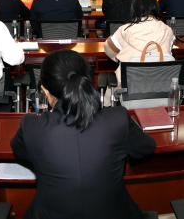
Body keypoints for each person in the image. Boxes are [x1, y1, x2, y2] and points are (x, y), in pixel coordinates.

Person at [11, 50, 155, 219]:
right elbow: (146, 147)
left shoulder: (32, 126)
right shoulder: (118, 118)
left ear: (45, 90)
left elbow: (20, 151)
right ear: (89, 82)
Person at [104, 0, 175, 83]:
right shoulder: (167, 30)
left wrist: (119, 57)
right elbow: (169, 51)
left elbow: (109, 50)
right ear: (156, 7)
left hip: (129, 86)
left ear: (133, 9)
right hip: (162, 86)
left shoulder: (124, 30)